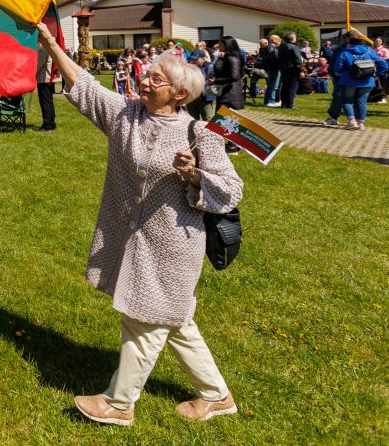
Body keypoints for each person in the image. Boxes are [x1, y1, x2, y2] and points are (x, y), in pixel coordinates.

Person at [35, 22, 243, 427]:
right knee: (176, 321)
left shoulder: (199, 134)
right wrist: (50, 44)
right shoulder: (126, 116)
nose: (143, 80)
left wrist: (196, 175)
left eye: (155, 78)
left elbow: (232, 191)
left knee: (144, 318)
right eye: (147, 74)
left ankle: (119, 402)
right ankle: (218, 396)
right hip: (132, 237)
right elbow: (86, 87)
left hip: (172, 246)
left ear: (179, 94)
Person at [331, 32, 389, 130]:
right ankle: (361, 123)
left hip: (348, 81)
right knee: (362, 102)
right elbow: (383, 64)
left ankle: (352, 121)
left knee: (346, 101)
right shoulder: (369, 51)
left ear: (349, 43)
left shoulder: (345, 53)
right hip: (366, 81)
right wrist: (377, 74)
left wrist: (342, 72)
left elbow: (337, 68)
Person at [211, 36, 245, 154]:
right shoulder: (228, 57)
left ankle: (233, 146)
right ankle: (231, 145)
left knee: (226, 120)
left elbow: (234, 77)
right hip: (227, 92)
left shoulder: (232, 58)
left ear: (227, 45)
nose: (219, 46)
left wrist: (216, 81)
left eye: (220, 44)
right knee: (225, 120)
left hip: (230, 94)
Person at [186, 50, 216, 121]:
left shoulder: (210, 66)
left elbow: (211, 81)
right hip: (191, 97)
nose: (193, 61)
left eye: (196, 59)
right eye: (192, 59)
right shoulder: (188, 67)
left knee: (208, 119)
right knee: (192, 119)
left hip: (205, 97)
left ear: (203, 58)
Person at [278, 32, 303, 109]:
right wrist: (300, 71)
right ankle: (290, 105)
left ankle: (284, 104)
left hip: (284, 69)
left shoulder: (282, 47)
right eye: (295, 37)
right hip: (293, 70)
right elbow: (298, 60)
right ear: (292, 39)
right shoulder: (294, 47)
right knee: (292, 87)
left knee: (285, 87)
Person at [36, 41, 57, 131]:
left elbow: (39, 64)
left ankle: (47, 124)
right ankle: (51, 123)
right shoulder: (49, 48)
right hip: (49, 78)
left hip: (43, 79)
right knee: (49, 101)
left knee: (45, 102)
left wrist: (32, 74)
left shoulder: (43, 49)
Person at [260, 35, 282, 106]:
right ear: (274, 40)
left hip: (273, 68)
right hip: (273, 69)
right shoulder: (270, 47)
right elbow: (273, 58)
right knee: (272, 85)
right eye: (279, 40)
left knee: (274, 85)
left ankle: (273, 100)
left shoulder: (271, 48)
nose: (280, 42)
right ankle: (269, 101)